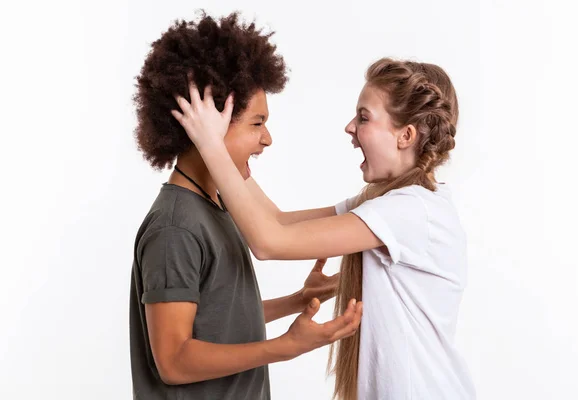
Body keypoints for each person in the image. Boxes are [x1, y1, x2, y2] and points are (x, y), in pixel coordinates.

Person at [172, 57, 476, 399]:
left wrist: (211, 145)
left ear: (405, 135)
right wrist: (229, 152)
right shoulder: (386, 205)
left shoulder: (410, 211)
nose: (350, 127)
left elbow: (269, 242)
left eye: (364, 117)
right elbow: (277, 221)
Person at [129, 12, 362, 400]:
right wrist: (284, 348)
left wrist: (297, 301)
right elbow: (173, 361)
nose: (267, 138)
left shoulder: (213, 207)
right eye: (257, 123)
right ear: (209, 125)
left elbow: (218, 323)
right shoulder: (176, 228)